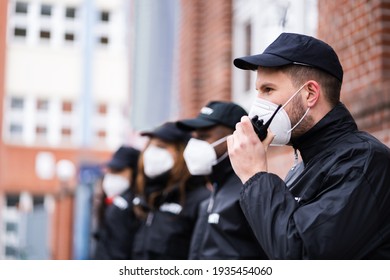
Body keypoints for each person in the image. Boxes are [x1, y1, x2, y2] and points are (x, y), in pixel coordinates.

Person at [228, 32, 390, 259]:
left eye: (268, 90)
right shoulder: (302, 167)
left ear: (310, 94)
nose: (258, 104)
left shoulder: (363, 161)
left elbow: (303, 256)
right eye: (258, 92)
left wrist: (255, 175)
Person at [176, 101, 268, 259]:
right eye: (194, 137)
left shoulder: (251, 193)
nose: (196, 144)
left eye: (204, 136)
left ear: (236, 137)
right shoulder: (215, 192)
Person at [132, 122, 210, 259]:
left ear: (182, 152)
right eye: (150, 145)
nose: (152, 153)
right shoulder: (149, 196)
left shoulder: (201, 200)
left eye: (161, 146)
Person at [93, 146, 141, 259]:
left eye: (118, 171)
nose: (111, 176)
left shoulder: (129, 206)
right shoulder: (110, 203)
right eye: (109, 171)